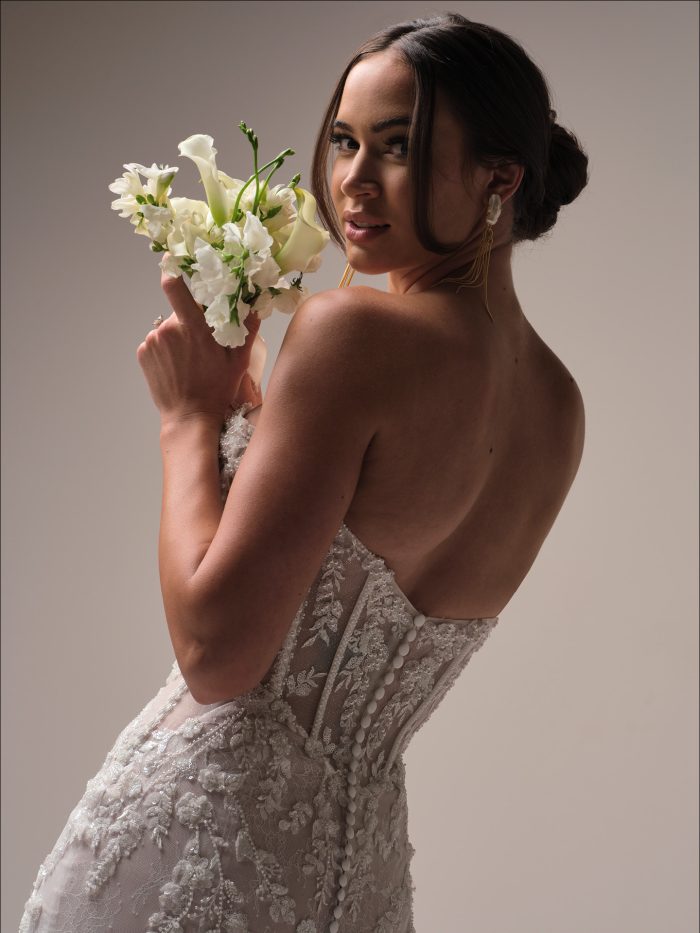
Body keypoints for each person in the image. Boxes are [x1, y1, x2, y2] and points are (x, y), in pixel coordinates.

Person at [19, 12, 588, 933]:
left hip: (193, 851)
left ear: (501, 177)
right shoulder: (559, 408)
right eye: (344, 140)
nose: (353, 181)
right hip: (359, 876)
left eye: (398, 147)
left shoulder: (350, 331)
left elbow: (216, 654)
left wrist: (188, 419)